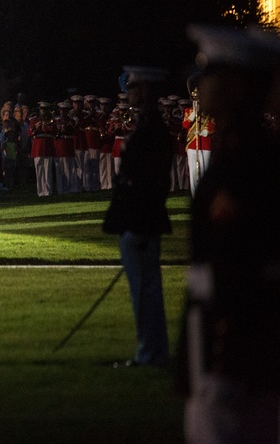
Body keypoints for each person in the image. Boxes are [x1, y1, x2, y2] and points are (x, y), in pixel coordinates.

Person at [180, 25, 280, 443]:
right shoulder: (240, 151)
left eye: (211, 73)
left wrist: (222, 364)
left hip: (233, 349)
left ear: (239, 86)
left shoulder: (246, 163)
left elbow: (238, 269)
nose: (202, 84)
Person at [102, 66, 173, 368]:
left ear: (144, 90)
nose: (128, 92)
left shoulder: (151, 130)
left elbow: (153, 181)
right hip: (137, 216)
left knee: (144, 291)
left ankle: (150, 352)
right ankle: (152, 350)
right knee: (144, 289)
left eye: (132, 87)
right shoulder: (147, 126)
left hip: (140, 219)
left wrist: (140, 220)